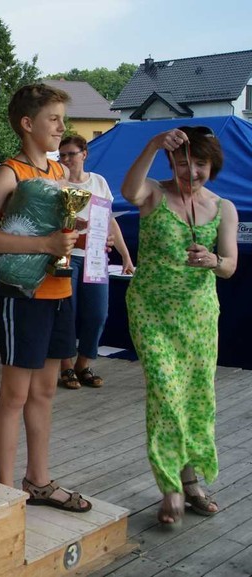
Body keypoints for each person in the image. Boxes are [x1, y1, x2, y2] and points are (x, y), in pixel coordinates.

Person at [0, 84, 92, 513]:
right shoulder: (9, 173)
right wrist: (45, 245)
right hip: (22, 295)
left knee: (45, 392)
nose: (62, 127)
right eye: (53, 119)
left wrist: (78, 236)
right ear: (28, 124)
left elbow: (57, 229)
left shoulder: (60, 172)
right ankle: (4, 493)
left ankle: (38, 481)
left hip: (60, 291)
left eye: (63, 119)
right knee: (15, 395)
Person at [121, 125, 237, 525]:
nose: (192, 171)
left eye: (201, 163)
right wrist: (154, 144)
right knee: (166, 394)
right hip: (151, 311)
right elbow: (128, 192)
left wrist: (213, 261)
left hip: (199, 316)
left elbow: (229, 266)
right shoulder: (154, 192)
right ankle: (170, 486)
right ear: (171, 162)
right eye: (183, 162)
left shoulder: (223, 208)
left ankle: (191, 482)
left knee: (196, 398)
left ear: (212, 166)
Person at [56, 135, 134, 389]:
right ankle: (66, 366)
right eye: (62, 155)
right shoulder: (57, 183)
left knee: (98, 313)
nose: (66, 159)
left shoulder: (98, 182)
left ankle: (84, 363)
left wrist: (125, 255)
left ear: (84, 154)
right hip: (67, 256)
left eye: (71, 154)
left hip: (96, 258)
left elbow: (110, 220)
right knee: (66, 314)